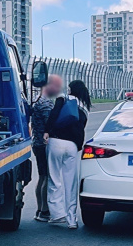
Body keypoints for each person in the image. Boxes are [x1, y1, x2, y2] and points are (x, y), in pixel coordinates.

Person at [45, 77, 88, 228]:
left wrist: (46, 131)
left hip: (56, 142)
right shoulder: (84, 106)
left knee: (55, 179)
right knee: (71, 183)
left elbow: (54, 114)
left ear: (71, 89)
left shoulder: (63, 98)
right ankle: (72, 220)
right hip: (72, 146)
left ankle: (57, 215)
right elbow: (81, 127)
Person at [28, 78, 58, 222]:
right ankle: (45, 211)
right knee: (46, 176)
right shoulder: (46, 103)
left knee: (41, 177)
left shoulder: (36, 100)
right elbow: (50, 124)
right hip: (44, 144)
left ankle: (39, 210)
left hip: (36, 142)